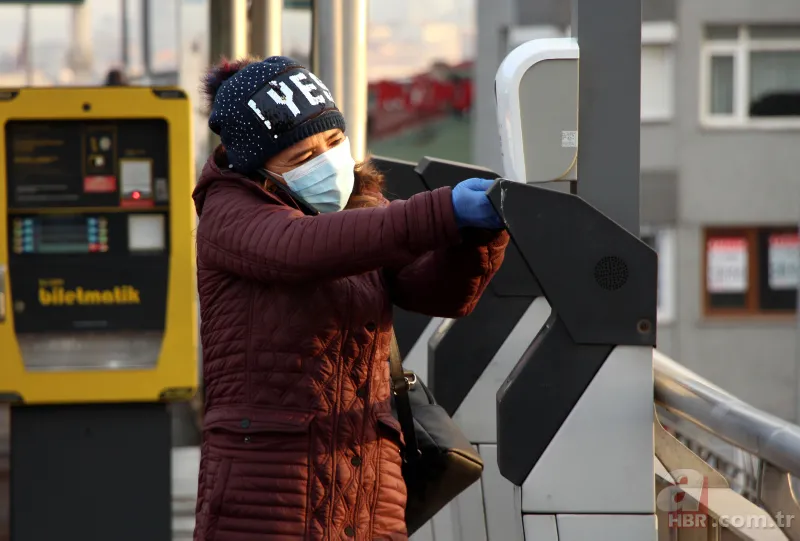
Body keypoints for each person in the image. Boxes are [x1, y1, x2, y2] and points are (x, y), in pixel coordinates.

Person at [192, 55, 510, 541]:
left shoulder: (358, 204)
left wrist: (475, 239)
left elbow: (437, 292)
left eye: (334, 141)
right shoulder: (230, 215)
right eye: (301, 157)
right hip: (268, 500)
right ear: (257, 167)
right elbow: (300, 248)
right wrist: (441, 211)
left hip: (364, 491)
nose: (325, 161)